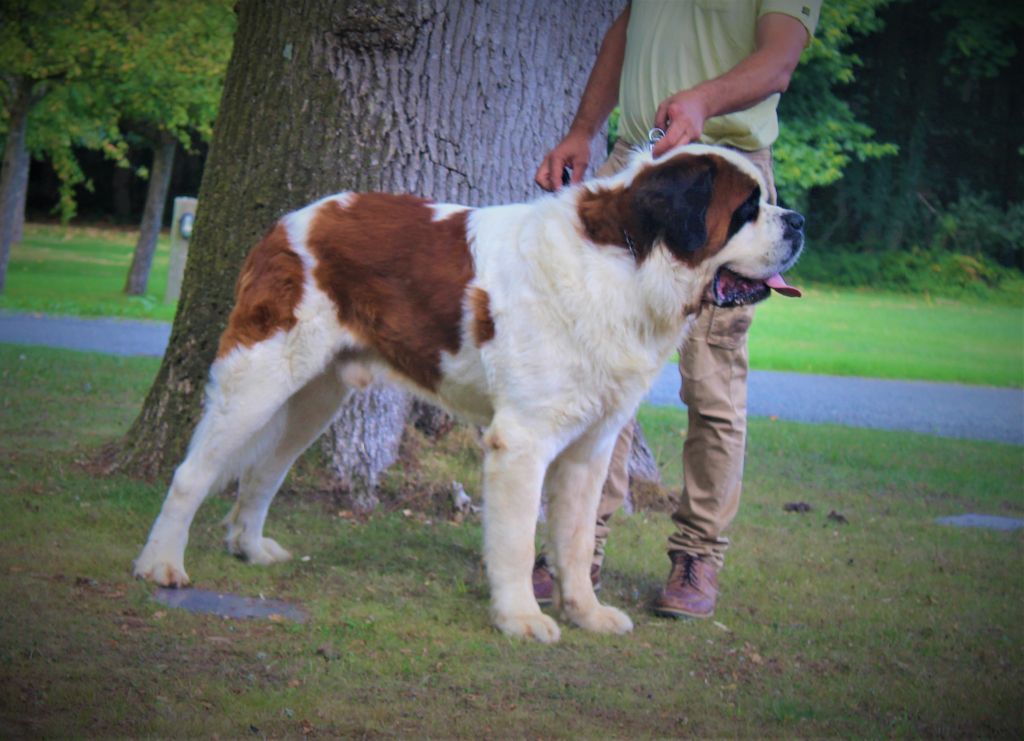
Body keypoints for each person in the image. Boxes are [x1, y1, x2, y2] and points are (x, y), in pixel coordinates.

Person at [533, 0, 820, 618]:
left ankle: (698, 555)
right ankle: (575, 551)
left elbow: (779, 61)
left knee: (712, 382)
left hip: (726, 183)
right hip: (640, 162)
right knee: (594, 372)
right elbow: (626, 29)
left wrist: (702, 100)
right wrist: (584, 129)